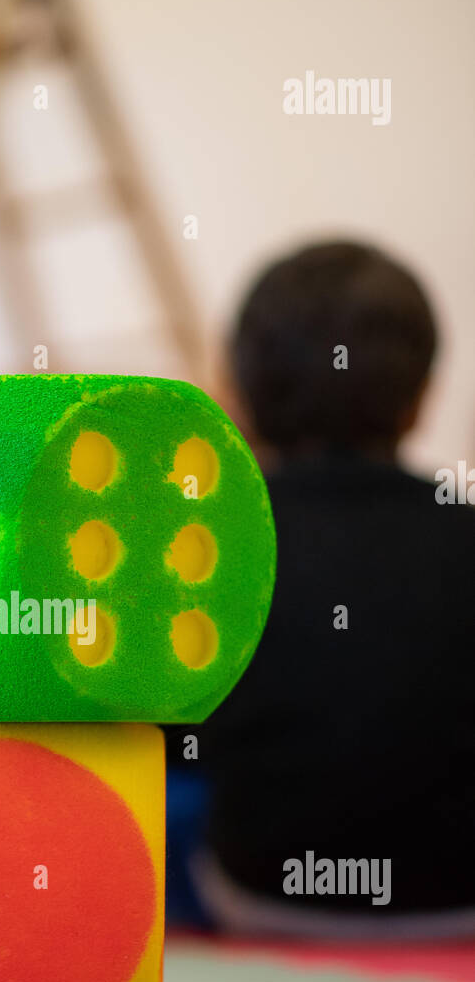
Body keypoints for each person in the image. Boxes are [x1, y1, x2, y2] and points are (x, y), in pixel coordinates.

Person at [168, 240, 475, 938]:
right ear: (422, 396)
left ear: (241, 393)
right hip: (460, 899)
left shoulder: (207, 548)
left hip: (261, 893)